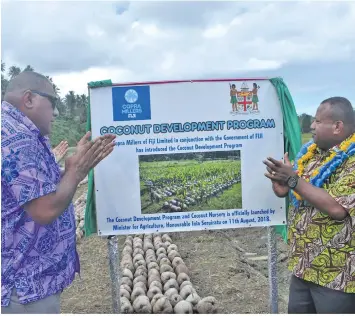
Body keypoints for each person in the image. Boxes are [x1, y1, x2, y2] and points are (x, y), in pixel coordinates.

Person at [1, 71, 116, 314]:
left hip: (30, 283)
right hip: (24, 288)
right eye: (53, 102)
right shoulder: (16, 139)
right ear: (29, 99)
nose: (56, 113)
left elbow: (41, 190)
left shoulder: (21, 134)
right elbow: (45, 209)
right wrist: (77, 171)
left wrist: (73, 167)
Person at [263, 96, 355, 313]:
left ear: (337, 126)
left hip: (335, 275)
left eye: (317, 121)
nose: (311, 125)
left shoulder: (351, 159)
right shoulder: (312, 154)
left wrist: (293, 180)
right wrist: (283, 188)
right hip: (303, 267)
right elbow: (302, 190)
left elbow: (337, 208)